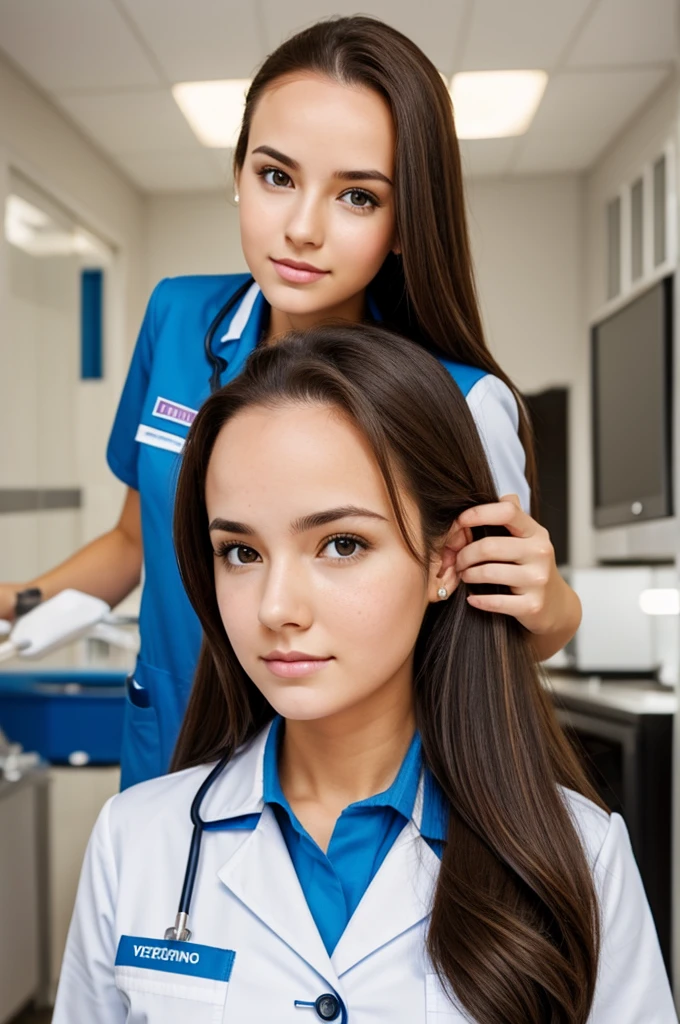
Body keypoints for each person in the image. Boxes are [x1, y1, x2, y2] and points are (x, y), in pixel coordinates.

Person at [0, 16, 581, 790]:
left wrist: (556, 608)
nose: (302, 229)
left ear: (406, 222)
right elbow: (137, 542)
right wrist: (17, 598)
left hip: (349, 785)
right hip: (172, 747)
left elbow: (500, 635)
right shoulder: (178, 322)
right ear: (238, 174)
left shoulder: (458, 402)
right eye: (277, 177)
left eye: (357, 197)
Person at [53, 325, 674, 1024]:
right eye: (240, 552)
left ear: (446, 562)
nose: (277, 608)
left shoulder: (581, 856)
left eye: (341, 544)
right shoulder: (136, 841)